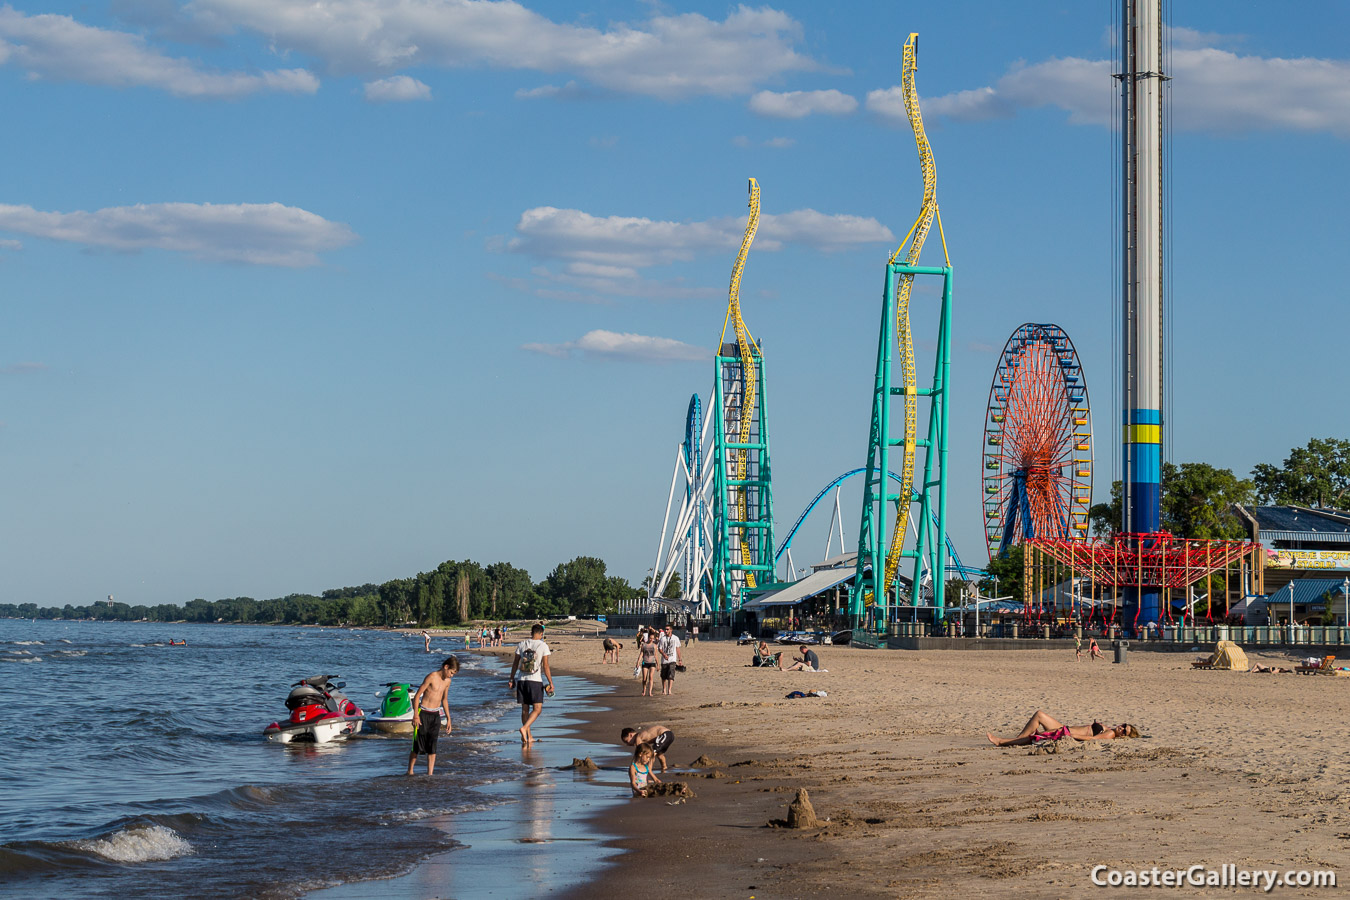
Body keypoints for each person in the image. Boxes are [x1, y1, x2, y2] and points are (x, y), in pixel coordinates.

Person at [407, 656, 459, 775]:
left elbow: (444, 700)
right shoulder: (431, 676)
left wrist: (449, 719)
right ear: (446, 667)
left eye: (453, 674)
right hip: (423, 713)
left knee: (432, 746)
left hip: (435, 715)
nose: (451, 676)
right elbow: (417, 696)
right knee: (417, 745)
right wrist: (415, 715)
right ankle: (410, 772)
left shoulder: (448, 682)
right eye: (451, 672)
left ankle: (430, 774)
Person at [507, 623, 554, 744]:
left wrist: (511, 679)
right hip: (535, 681)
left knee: (525, 710)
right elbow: (546, 666)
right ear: (541, 634)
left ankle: (528, 737)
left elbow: (515, 663)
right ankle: (524, 729)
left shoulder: (522, 644)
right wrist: (550, 682)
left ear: (531, 633)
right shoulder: (543, 646)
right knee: (537, 709)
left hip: (522, 680)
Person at [986, 710, 1139, 747]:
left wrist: (1070, 735)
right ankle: (1015, 740)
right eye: (1124, 725)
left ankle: (1003, 742)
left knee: (1037, 730)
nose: (1122, 728)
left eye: (1124, 730)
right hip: (1064, 728)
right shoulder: (1111, 730)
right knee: (1038, 715)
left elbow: (1091, 739)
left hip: (1066, 732)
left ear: (1123, 736)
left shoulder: (1110, 734)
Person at [657, 625, 683, 695]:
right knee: (664, 676)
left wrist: (680, 659)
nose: (666, 631)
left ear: (671, 630)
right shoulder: (662, 639)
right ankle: (664, 689)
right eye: (665, 629)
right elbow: (660, 648)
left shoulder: (675, 638)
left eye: (667, 629)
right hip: (664, 660)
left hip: (672, 659)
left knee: (671, 675)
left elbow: (678, 649)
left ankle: (669, 690)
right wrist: (663, 654)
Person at [638, 631, 658, 696]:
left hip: (652, 663)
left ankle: (650, 692)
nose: (651, 639)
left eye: (652, 638)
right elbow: (641, 654)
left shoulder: (654, 646)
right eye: (650, 638)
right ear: (648, 637)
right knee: (644, 678)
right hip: (645, 662)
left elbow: (655, 655)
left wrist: (658, 664)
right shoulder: (644, 645)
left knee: (651, 677)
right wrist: (638, 662)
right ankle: (644, 690)